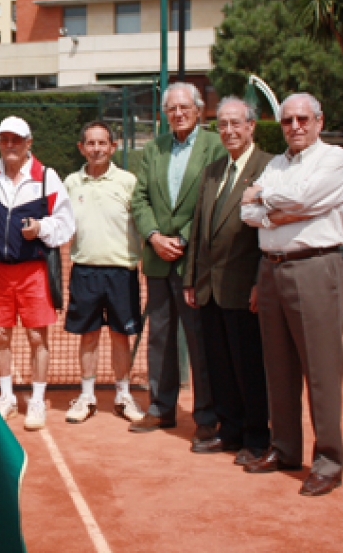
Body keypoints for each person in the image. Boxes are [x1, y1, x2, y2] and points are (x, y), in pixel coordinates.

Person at [240, 92, 343, 497]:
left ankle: (328, 461)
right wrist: (281, 208)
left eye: (303, 119)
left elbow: (304, 199)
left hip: (314, 266)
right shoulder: (275, 163)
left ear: (319, 121)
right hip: (270, 268)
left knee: (321, 371)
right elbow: (247, 212)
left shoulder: (334, 159)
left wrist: (268, 201)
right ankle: (285, 448)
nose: (295, 127)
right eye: (288, 120)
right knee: (279, 366)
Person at [130, 82, 226, 442]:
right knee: (161, 338)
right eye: (171, 108)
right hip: (157, 259)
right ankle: (160, 408)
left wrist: (183, 238)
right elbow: (139, 198)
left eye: (185, 107)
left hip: (194, 261)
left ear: (199, 110)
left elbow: (213, 197)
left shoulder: (215, 146)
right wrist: (154, 236)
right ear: (164, 113)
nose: (178, 113)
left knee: (200, 339)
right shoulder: (154, 148)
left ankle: (205, 417)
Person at [183, 98, 272, 463]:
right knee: (219, 365)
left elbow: (268, 236)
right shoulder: (212, 170)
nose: (229, 131)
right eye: (222, 124)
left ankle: (256, 438)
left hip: (244, 288)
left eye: (236, 124)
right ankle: (230, 430)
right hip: (209, 288)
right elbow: (200, 228)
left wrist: (259, 283)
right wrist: (191, 278)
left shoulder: (269, 167)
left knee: (249, 366)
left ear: (252, 126)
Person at [0, 116, 75, 431]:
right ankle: (6, 396)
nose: (10, 145)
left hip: (33, 270)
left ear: (28, 143)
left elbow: (65, 222)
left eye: (16, 140)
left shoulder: (47, 178)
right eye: (5, 139)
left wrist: (41, 228)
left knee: (37, 336)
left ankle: (37, 399)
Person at [62, 121, 144, 424]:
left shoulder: (128, 182)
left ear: (113, 146)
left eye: (102, 143)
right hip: (85, 271)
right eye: (90, 143)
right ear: (81, 148)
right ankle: (86, 396)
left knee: (122, 335)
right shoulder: (71, 182)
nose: (96, 148)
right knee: (89, 335)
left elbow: (142, 222)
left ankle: (123, 394)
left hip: (122, 272)